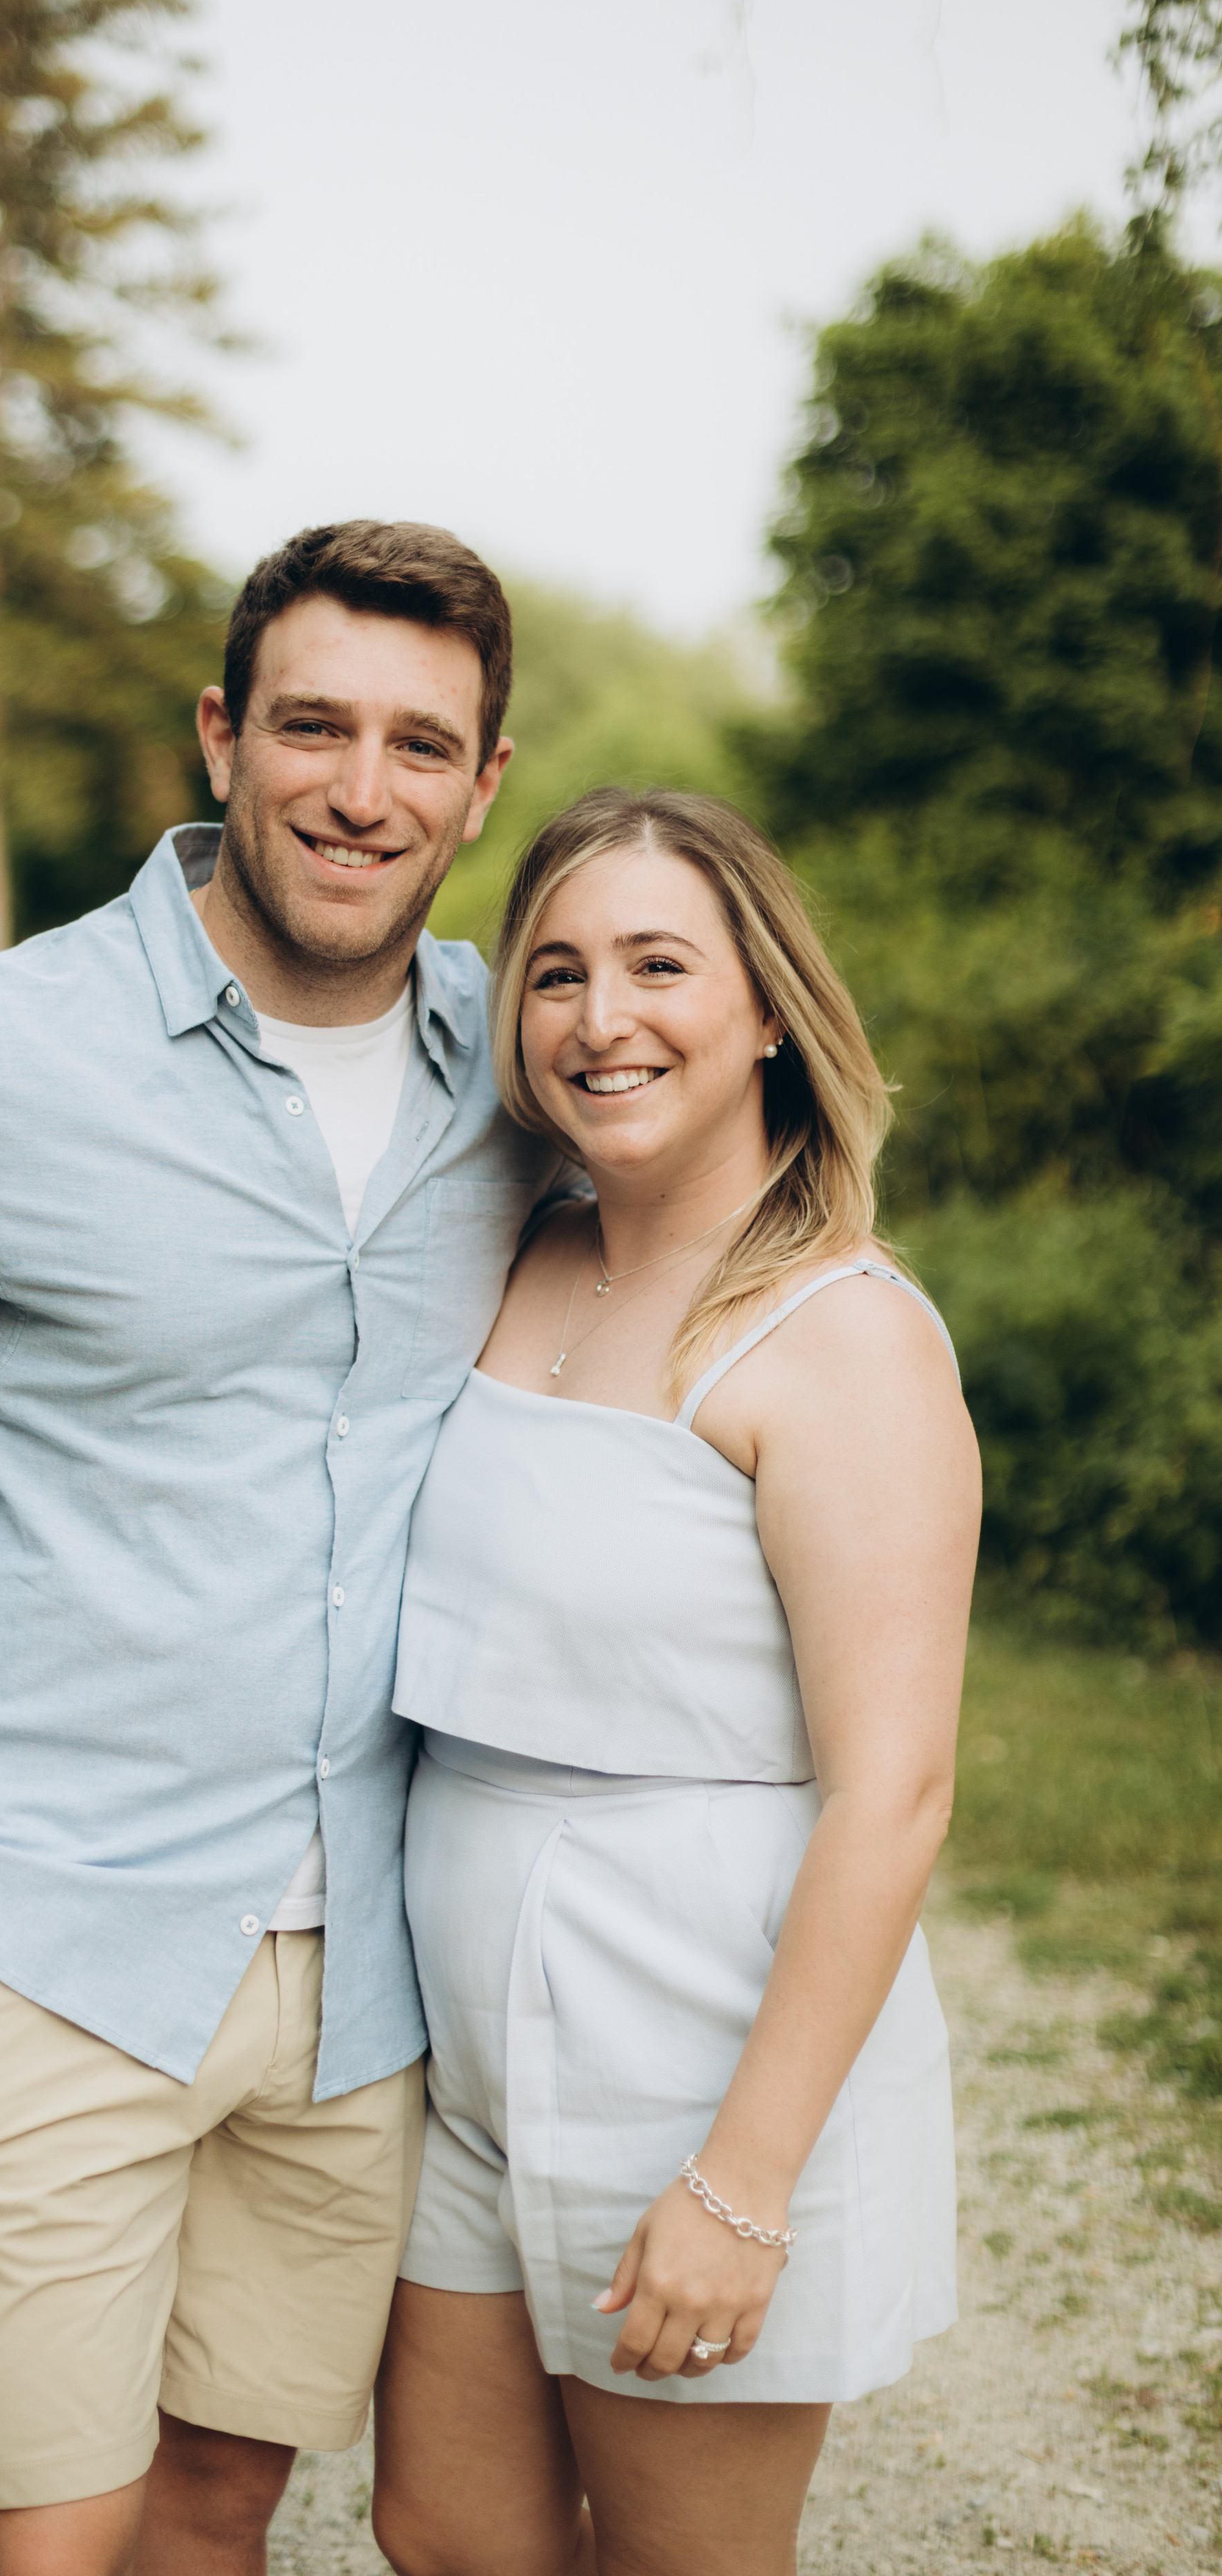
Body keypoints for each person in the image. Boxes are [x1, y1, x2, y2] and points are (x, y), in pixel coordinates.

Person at [0, 521, 579, 2576]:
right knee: (46, 2542)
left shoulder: (510, 1067)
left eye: (420, 746)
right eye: (315, 726)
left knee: (220, 2504)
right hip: (41, 1940)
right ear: (221, 732)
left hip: (363, 1972)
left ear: (484, 783)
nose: (364, 790)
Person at [371, 787, 982, 2576]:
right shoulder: (523, 1252)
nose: (599, 1016)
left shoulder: (839, 1335)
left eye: (658, 964)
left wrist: (745, 2178)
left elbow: (897, 1794)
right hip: (468, 2055)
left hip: (695, 2054)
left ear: (770, 1007)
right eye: (554, 972)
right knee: (446, 2533)